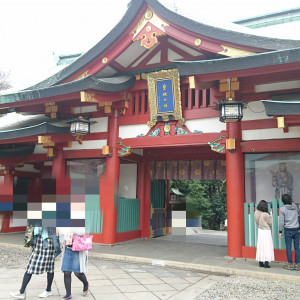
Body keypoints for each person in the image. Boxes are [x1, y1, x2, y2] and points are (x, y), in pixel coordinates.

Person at [10, 226, 61, 299]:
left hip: (48, 242)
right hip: (38, 241)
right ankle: (21, 291)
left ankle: (48, 290)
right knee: (30, 266)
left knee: (50, 267)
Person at [59, 229, 89, 300]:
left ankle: (85, 283)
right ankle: (68, 294)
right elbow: (61, 233)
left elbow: (85, 232)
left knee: (77, 273)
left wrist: (72, 231)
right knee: (66, 271)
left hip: (78, 249)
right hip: (67, 249)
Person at [279, 193, 300, 271]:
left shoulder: (282, 209)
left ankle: (290, 264)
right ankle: (297, 264)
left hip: (288, 230)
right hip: (297, 229)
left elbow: (281, 221)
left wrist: (280, 231)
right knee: (297, 247)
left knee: (288, 247)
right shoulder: (295, 206)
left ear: (283, 201)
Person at [254, 200, 274, 268]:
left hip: (260, 230)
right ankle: (266, 263)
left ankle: (260, 262)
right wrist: (271, 215)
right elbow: (270, 222)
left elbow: (257, 222)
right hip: (266, 231)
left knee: (261, 246)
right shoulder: (265, 214)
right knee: (267, 246)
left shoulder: (256, 212)